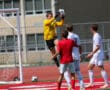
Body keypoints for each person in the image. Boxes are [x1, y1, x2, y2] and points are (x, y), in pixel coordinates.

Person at [86, 24, 109, 88]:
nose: (90, 29)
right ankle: (91, 83)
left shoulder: (96, 36)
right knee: (89, 67)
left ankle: (106, 83)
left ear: (92, 29)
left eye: (90, 28)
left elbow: (98, 47)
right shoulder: (95, 35)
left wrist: (91, 53)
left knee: (101, 68)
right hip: (95, 55)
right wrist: (93, 54)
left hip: (98, 54)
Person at [67, 24, 85, 90]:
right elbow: (80, 46)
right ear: (72, 29)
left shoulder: (68, 36)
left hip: (70, 56)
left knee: (69, 72)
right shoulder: (76, 36)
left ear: (67, 29)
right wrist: (80, 55)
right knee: (78, 71)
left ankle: (71, 86)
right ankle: (82, 86)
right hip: (76, 55)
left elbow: (68, 47)